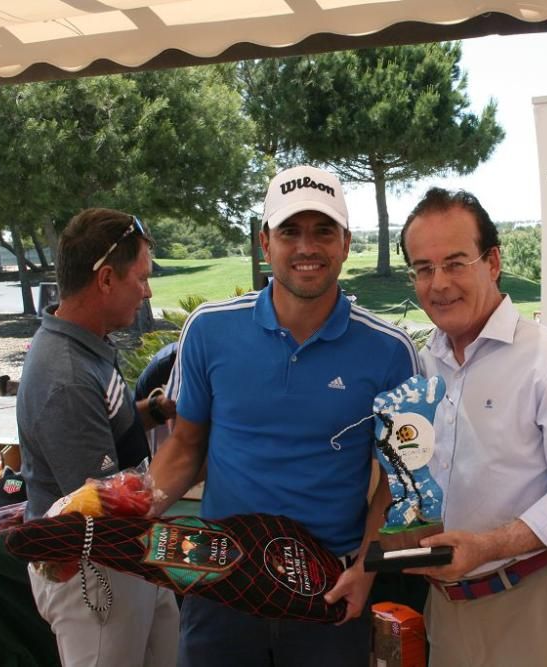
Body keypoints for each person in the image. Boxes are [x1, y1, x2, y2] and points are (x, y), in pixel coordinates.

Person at [148, 165, 420, 666]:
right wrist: (126, 514)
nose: (306, 247)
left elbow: (402, 482)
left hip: (331, 594)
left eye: (323, 231)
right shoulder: (208, 331)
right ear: (264, 242)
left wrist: (366, 568)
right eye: (290, 231)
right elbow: (185, 448)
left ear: (345, 242)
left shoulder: (390, 351)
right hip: (221, 586)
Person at [399, 188, 547, 667]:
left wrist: (488, 546)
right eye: (423, 268)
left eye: (455, 263)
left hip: (534, 601)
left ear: (493, 261)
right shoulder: (421, 366)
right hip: (447, 610)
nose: (438, 283)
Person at [17, 208, 179, 667]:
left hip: (129, 557)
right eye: (142, 278)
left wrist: (159, 409)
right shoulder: (65, 376)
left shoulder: (85, 344)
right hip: (93, 572)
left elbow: (114, 426)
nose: (147, 292)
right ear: (106, 279)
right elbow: (102, 504)